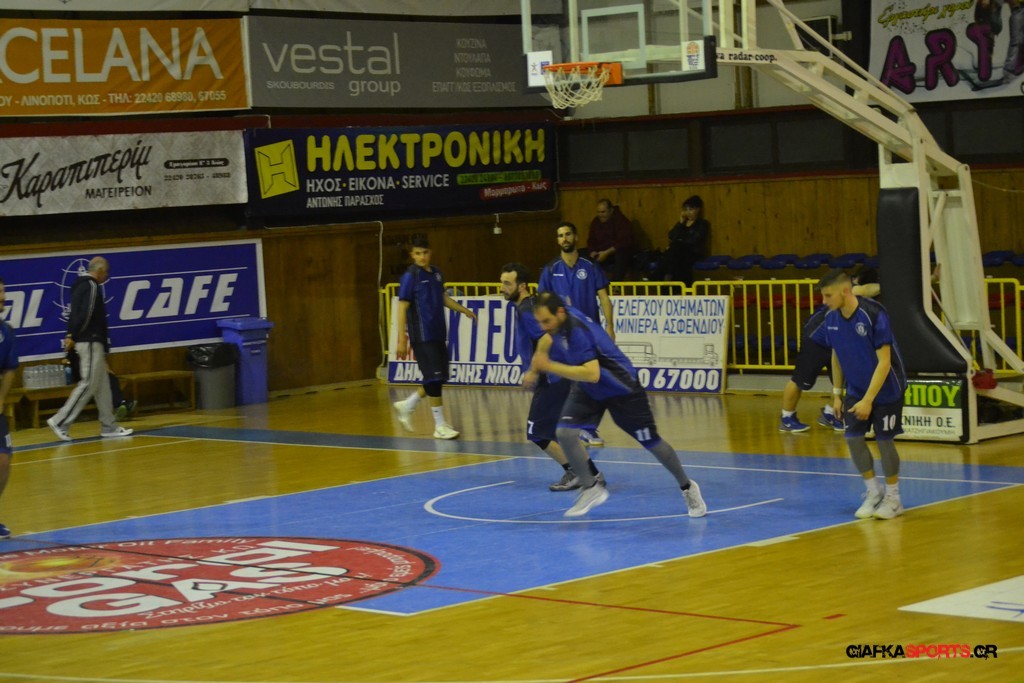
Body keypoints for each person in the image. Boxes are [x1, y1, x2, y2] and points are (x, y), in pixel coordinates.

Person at [528, 292, 707, 518]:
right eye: (540, 322)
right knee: (564, 432)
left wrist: (548, 366)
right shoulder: (560, 320)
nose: (544, 327)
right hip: (590, 389)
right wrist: (535, 366)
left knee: (652, 443)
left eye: (546, 321)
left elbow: (592, 373)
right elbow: (547, 339)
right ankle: (591, 488)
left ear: (560, 312)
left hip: (621, 389)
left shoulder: (578, 332)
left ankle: (687, 487)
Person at [811, 269, 907, 520]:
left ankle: (894, 498)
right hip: (855, 389)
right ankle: (873, 492)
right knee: (853, 439)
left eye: (828, 295)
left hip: (886, 388)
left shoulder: (874, 313)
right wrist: (837, 394)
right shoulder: (830, 318)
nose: (824, 301)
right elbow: (836, 354)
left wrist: (869, 400)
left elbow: (884, 362)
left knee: (884, 441)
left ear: (845, 291)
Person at [500, 263, 604, 491]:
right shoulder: (532, 306)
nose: (502, 288)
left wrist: (533, 370)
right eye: (502, 283)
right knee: (562, 433)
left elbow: (547, 337)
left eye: (507, 283)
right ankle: (593, 474)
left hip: (551, 380)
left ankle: (577, 473)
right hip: (559, 376)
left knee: (537, 433)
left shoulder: (527, 310)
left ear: (522, 286)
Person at [392, 235, 477, 440]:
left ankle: (408, 404)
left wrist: (463, 310)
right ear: (412, 255)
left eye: (425, 252)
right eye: (417, 253)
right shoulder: (410, 276)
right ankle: (439, 425)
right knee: (434, 378)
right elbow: (402, 307)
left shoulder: (437, 273)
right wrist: (401, 339)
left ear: (430, 252)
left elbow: (442, 297)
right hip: (423, 335)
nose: (422, 257)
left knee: (441, 376)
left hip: (438, 332)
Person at [538, 221, 614, 447]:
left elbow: (604, 297)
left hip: (588, 334)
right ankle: (571, 426)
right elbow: (542, 303)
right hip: (562, 336)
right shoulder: (550, 269)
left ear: (576, 237)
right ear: (557, 240)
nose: (564, 239)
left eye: (568, 234)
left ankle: (587, 428)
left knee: (594, 380)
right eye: (560, 235)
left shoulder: (589, 266)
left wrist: (610, 326)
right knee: (566, 382)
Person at [780, 266, 880, 433]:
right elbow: (867, 289)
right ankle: (787, 418)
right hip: (816, 339)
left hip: (835, 343)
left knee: (844, 382)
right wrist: (889, 285)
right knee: (800, 380)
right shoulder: (851, 290)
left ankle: (831, 414)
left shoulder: (864, 305)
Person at [46, 257, 133, 442]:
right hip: (91, 339)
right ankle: (60, 421)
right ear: (99, 271)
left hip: (88, 340)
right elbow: (87, 313)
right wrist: (77, 335)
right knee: (89, 383)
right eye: (106, 272)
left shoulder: (78, 286)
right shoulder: (92, 286)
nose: (106, 276)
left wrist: (71, 334)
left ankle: (109, 426)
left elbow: (74, 314)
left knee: (102, 386)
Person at [66, 350, 137, 421]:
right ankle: (121, 405)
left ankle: (120, 404)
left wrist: (107, 370)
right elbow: (70, 365)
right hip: (83, 376)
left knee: (111, 378)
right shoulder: (73, 352)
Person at [655, 195, 710, 286]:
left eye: (691, 209)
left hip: (693, 252)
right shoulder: (682, 223)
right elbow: (671, 236)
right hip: (678, 253)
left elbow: (694, 240)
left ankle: (659, 277)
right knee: (675, 255)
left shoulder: (703, 224)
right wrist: (680, 223)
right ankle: (668, 281)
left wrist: (679, 243)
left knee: (675, 249)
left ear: (698, 209)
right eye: (686, 209)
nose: (688, 212)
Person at [1, 276, 19, 539]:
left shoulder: (6, 331)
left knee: (3, 460)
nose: (2, 299)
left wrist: (1, 397)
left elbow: (10, 368)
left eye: (3, 294)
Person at [586, 199, 635, 282]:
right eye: (598, 212)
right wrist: (592, 251)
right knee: (581, 254)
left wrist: (606, 253)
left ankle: (616, 285)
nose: (600, 215)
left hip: (616, 253)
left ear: (611, 210)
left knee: (622, 254)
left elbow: (624, 242)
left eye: (603, 212)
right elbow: (591, 240)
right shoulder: (596, 222)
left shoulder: (621, 221)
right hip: (600, 253)